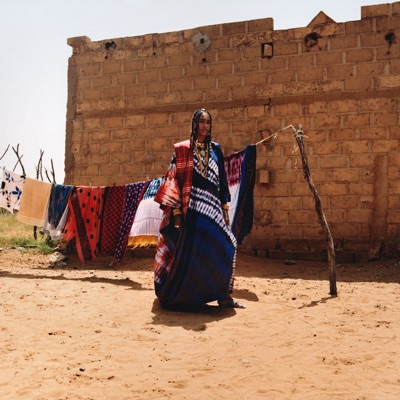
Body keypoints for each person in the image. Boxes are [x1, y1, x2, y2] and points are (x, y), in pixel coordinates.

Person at [153, 108, 245, 310]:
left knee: (227, 245)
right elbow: (172, 180)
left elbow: (222, 179)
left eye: (208, 122)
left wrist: (225, 207)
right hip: (190, 210)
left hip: (212, 209)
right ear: (194, 124)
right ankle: (185, 296)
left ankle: (224, 296)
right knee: (192, 254)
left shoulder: (215, 149)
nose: (205, 126)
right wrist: (176, 214)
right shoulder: (183, 149)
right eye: (201, 122)